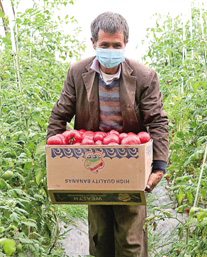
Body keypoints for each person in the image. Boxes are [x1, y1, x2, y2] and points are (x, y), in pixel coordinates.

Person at [47, 12, 169, 257]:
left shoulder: (144, 76)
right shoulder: (78, 73)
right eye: (104, 45)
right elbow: (59, 116)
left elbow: (157, 121)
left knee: (131, 238)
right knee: (100, 236)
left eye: (117, 45)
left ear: (125, 44)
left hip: (131, 163)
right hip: (94, 163)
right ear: (94, 43)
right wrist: (56, 158)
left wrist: (158, 166)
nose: (110, 50)